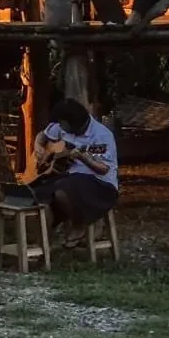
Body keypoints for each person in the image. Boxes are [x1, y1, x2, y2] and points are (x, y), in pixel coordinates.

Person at [27, 98, 120, 239]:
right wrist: (38, 146)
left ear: (75, 124)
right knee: (36, 193)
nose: (60, 127)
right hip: (69, 176)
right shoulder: (61, 127)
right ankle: (43, 247)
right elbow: (43, 135)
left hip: (99, 184)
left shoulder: (102, 135)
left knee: (62, 190)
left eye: (63, 124)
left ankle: (79, 223)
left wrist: (85, 158)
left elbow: (104, 169)